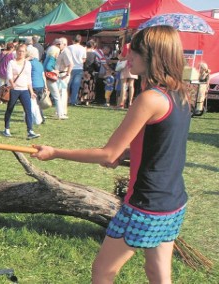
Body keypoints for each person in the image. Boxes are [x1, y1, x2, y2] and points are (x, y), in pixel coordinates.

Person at [32, 25, 191, 284]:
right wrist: (128, 155)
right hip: (173, 201)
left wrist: (56, 152)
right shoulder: (181, 94)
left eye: (134, 54)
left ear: (152, 57)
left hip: (145, 205)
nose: (128, 59)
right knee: (158, 272)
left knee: (103, 271)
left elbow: (108, 154)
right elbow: (162, 148)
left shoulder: (150, 98)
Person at [3, 44, 40, 140]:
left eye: (23, 51)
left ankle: (30, 131)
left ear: (25, 53)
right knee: (10, 109)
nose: (21, 53)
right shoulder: (12, 62)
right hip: (14, 90)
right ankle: (6, 128)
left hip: (24, 90)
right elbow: (9, 75)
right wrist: (12, 83)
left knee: (28, 110)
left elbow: (29, 79)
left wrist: (31, 92)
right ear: (16, 51)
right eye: (19, 51)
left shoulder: (28, 64)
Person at [118, 34, 139, 109]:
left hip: (126, 65)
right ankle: (130, 102)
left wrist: (120, 56)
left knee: (123, 85)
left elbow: (122, 56)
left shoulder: (126, 46)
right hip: (134, 65)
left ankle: (122, 103)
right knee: (131, 85)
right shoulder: (137, 47)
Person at [67, 35, 87, 105]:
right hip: (79, 67)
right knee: (76, 85)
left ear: (72, 40)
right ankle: (73, 101)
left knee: (67, 85)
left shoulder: (69, 47)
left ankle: (66, 99)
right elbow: (84, 59)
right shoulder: (83, 48)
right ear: (80, 40)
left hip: (70, 67)